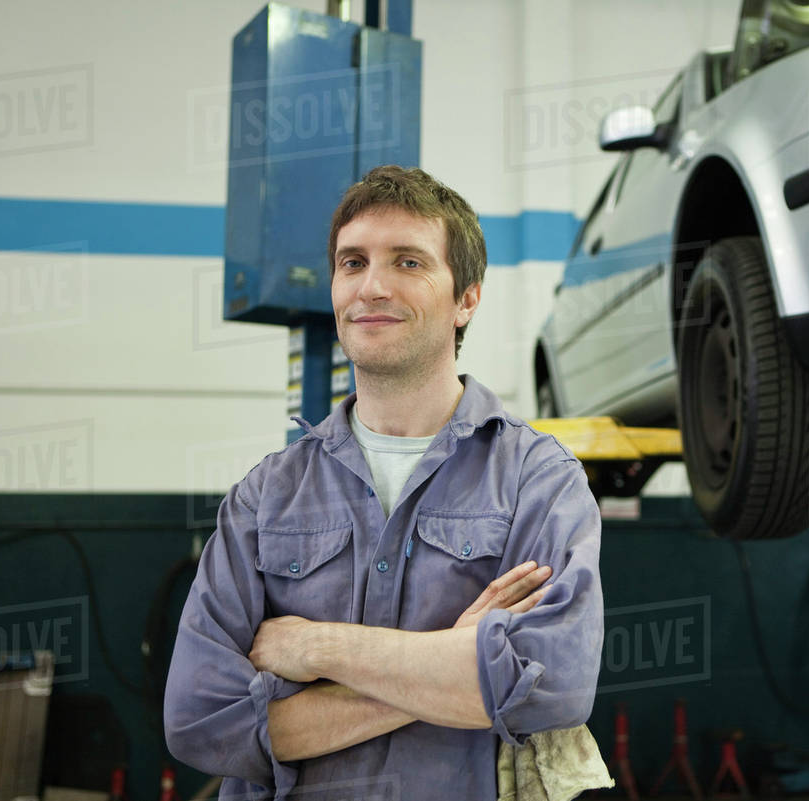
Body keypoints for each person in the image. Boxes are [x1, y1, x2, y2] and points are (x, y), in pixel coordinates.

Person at [164, 165, 604, 801]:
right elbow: (201, 724)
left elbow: (553, 685)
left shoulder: (539, 482)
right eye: (352, 262)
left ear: (467, 298)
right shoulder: (266, 496)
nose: (372, 286)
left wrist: (318, 649)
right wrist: (452, 662)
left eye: (408, 263)